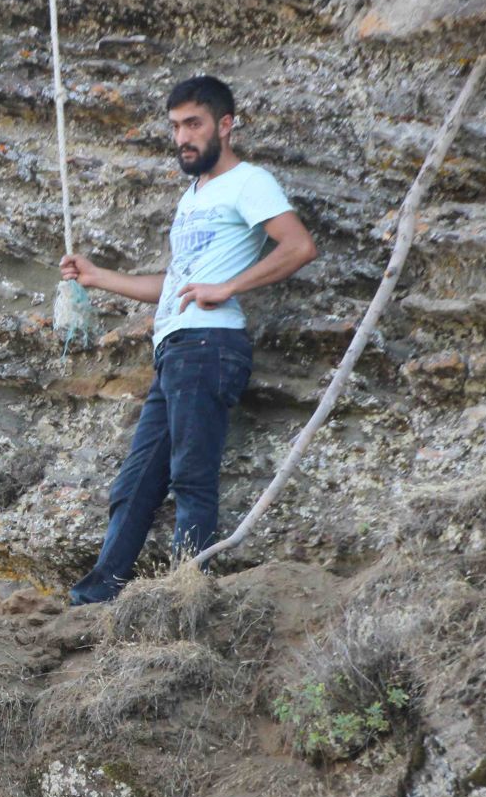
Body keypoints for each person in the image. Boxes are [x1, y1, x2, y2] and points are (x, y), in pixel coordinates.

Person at [61, 75, 317, 606]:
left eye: (193, 124)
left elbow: (298, 246)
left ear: (225, 125)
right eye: (176, 126)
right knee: (134, 486)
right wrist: (97, 276)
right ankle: (95, 597)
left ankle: (184, 598)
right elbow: (175, 285)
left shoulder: (249, 181)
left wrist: (227, 287)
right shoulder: (194, 194)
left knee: (191, 479)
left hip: (210, 346)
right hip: (175, 350)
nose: (183, 137)